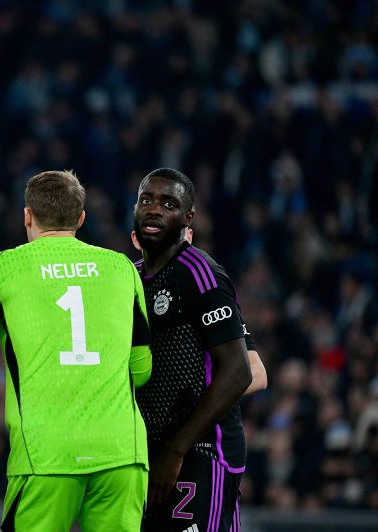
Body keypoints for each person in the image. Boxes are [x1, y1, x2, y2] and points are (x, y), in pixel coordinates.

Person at [0, 170, 152, 531]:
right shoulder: (123, 268)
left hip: (45, 454)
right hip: (122, 452)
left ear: (27, 216)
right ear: (81, 219)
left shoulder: (3, 267)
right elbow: (141, 371)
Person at [131, 168, 253, 531]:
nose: (154, 209)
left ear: (188, 219)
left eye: (168, 203)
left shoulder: (200, 273)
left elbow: (239, 371)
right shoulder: (131, 278)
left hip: (201, 453)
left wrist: (176, 450)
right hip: (148, 455)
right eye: (146, 200)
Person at [131, 229, 268, 395]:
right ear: (137, 240)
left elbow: (257, 373)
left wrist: (200, 403)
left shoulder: (209, 289)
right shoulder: (132, 284)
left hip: (211, 418)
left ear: (189, 237)